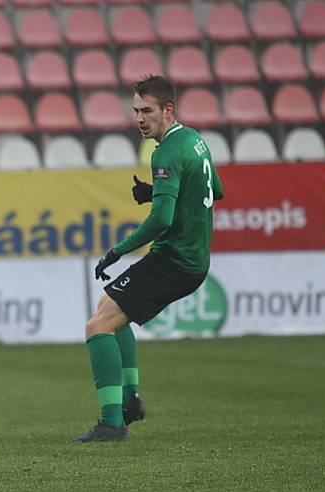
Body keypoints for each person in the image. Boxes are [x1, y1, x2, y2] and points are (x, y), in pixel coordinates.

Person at [71, 75, 224, 442]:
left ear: (167, 110)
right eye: (136, 110)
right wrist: (158, 191)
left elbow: (161, 220)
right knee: (109, 305)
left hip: (176, 259)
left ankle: (112, 423)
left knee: (98, 327)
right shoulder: (195, 141)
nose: (140, 118)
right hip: (190, 258)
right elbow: (215, 189)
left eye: (148, 111)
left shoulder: (166, 151)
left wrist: (117, 250)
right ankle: (130, 401)